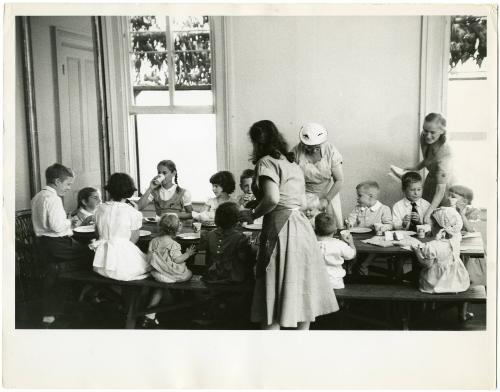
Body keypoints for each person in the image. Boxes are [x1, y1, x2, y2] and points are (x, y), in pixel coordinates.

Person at [240, 120, 339, 330]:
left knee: (273, 284)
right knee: (301, 283)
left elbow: (273, 199)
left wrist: (252, 214)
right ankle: (300, 341)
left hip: (280, 226)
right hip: (301, 226)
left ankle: (272, 343)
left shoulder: (267, 162)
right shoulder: (291, 162)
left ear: (257, 141)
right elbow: (302, 202)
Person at [31, 163, 94, 326]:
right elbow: (57, 226)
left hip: (44, 245)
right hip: (57, 245)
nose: (68, 188)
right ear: (57, 181)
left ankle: (59, 273)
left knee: (84, 252)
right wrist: (70, 222)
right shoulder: (53, 199)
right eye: (68, 184)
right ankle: (90, 295)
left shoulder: (38, 196)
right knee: (93, 253)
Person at [91, 173, 150, 281]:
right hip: (122, 262)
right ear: (129, 191)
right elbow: (133, 239)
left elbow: (97, 233)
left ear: (110, 190)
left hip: (101, 262)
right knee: (149, 267)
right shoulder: (133, 212)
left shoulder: (99, 209)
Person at [142, 213, 196, 328]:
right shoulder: (174, 244)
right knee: (189, 273)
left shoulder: (154, 240)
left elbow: (149, 257)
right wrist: (188, 254)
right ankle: (186, 303)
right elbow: (177, 260)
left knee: (159, 287)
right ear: (176, 229)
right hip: (168, 276)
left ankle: (149, 316)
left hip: (156, 273)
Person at [401, 207, 470, 294]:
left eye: (432, 225)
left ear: (438, 227)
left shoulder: (431, 245)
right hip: (455, 281)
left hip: (435, 283)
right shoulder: (456, 240)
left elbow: (427, 264)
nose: (431, 227)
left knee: (416, 275)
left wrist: (417, 252)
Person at [291, 122, 345, 230]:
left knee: (329, 229)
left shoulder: (330, 150)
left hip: (329, 194)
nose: (314, 150)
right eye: (310, 147)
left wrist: (326, 200)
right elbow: (292, 180)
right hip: (305, 197)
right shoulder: (296, 152)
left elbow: (339, 180)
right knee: (305, 229)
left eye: (317, 147)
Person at [405, 113, 455, 224]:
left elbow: (440, 190)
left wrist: (428, 212)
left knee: (441, 218)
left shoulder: (445, 152)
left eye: (432, 132)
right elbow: (429, 158)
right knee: (422, 210)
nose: (427, 135)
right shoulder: (424, 137)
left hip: (443, 186)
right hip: (431, 179)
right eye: (425, 130)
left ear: (442, 131)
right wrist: (416, 168)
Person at [448, 184, 485, 321]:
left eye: (453, 196)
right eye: (449, 195)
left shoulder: (471, 211)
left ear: (464, 200)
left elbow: (470, 230)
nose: (449, 198)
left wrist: (461, 213)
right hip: (452, 248)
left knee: (465, 280)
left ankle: (463, 312)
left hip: (468, 251)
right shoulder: (448, 209)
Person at [198, 202, 256, 283]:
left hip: (213, 276)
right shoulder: (240, 238)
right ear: (237, 219)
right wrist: (251, 246)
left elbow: (200, 248)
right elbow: (245, 258)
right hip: (233, 277)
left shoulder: (209, 235)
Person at [346, 181, 393, 276]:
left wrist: (381, 227)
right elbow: (351, 218)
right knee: (351, 245)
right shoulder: (358, 208)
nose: (357, 198)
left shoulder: (384, 209)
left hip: (375, 239)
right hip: (359, 239)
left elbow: (389, 225)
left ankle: (364, 266)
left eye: (359, 196)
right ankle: (351, 267)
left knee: (373, 248)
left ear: (370, 196)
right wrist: (349, 223)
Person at [315, 213, 356, 289]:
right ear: (335, 231)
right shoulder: (339, 244)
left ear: (315, 229)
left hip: (315, 283)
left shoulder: (311, 243)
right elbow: (351, 255)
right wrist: (351, 243)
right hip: (335, 283)